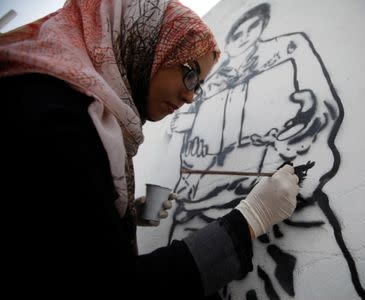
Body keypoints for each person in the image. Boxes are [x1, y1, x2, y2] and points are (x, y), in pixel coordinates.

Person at [0, 0, 300, 298]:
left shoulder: (74, 108)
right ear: (145, 43)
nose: (190, 97)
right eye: (190, 73)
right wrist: (250, 220)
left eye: (199, 87)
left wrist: (122, 214)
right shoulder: (56, 118)